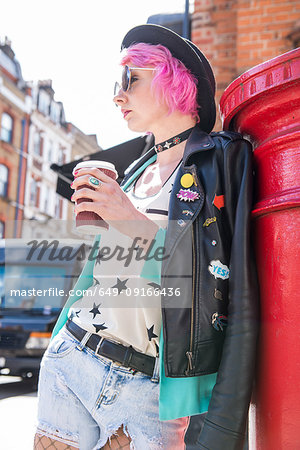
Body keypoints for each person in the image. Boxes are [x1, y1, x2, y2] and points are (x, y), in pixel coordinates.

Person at [34, 24, 259, 450]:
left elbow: (210, 286)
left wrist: (130, 218)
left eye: (130, 80)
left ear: (175, 79)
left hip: (148, 387)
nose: (118, 96)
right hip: (72, 357)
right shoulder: (134, 173)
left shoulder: (221, 160)